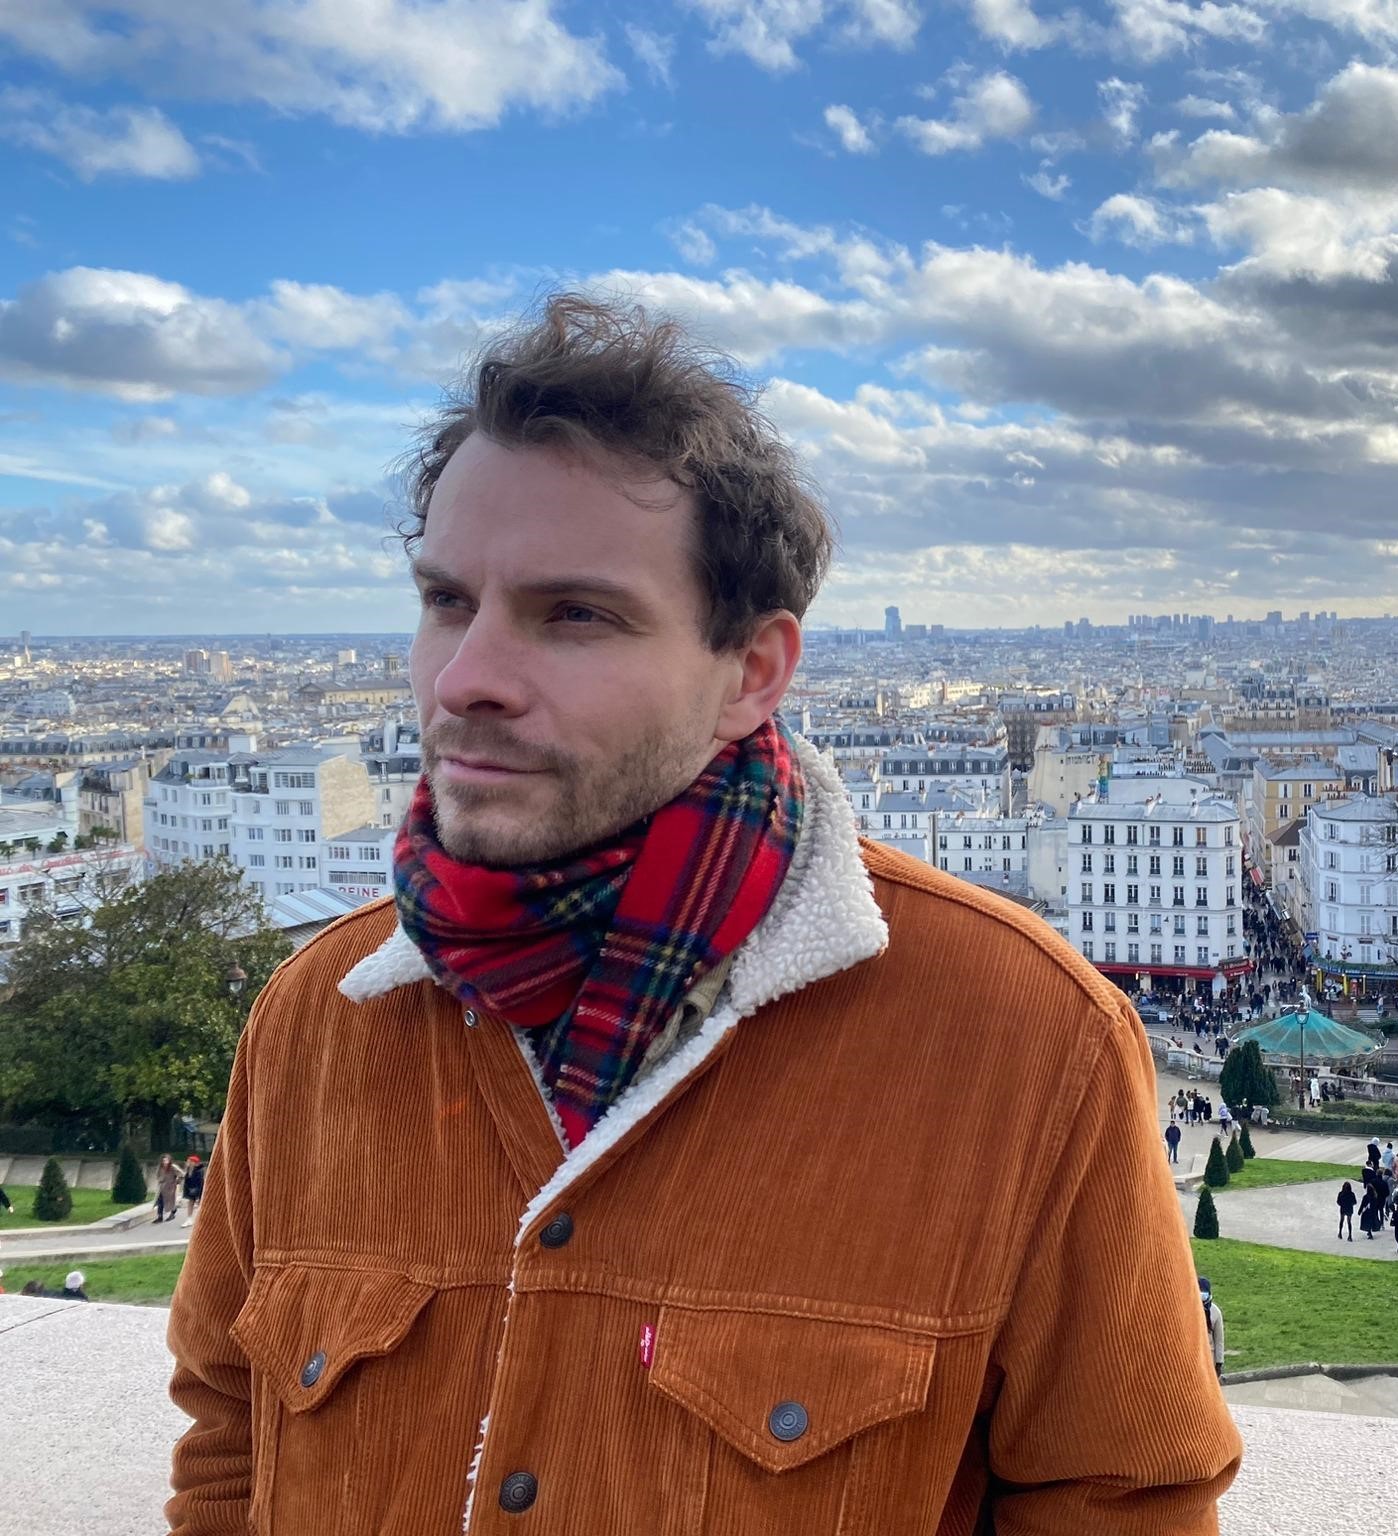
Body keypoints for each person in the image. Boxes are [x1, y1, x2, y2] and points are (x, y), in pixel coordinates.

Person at [165, 293, 1241, 1535]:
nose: (465, 680)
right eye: (447, 600)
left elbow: (1118, 1504)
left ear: (753, 671)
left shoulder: (1026, 1041)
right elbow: (232, 1435)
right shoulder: (312, 1022)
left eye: (574, 613)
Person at [1198, 1277, 1225, 1380]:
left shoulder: (1215, 1312)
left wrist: (1219, 1363)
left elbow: (1219, 1340)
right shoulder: (1190, 1309)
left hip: (1209, 1358)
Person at [154, 1153, 183, 1223]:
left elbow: (181, 1174)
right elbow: (157, 1175)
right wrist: (160, 1180)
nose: (165, 1162)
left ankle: (172, 1213)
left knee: (171, 1201)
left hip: (171, 1186)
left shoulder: (173, 1167)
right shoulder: (160, 1167)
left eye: (166, 1160)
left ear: (169, 1160)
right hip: (162, 1186)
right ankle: (160, 1216)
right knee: (160, 1201)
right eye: (163, 1160)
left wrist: (177, 1181)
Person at [181, 1155, 204, 1227]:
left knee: (201, 1203)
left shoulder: (199, 1170)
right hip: (190, 1189)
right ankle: (189, 1219)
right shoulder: (188, 1170)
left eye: (189, 1161)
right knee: (190, 1203)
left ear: (193, 1162)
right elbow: (187, 1180)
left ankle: (202, 1219)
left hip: (198, 1189)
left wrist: (196, 1190)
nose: (187, 1162)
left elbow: (199, 1181)